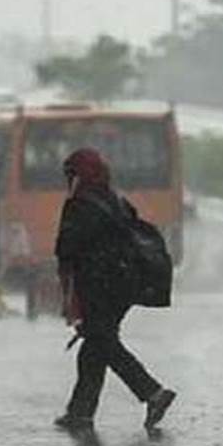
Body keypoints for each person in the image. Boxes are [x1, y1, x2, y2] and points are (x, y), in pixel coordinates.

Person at [53, 147, 176, 431]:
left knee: (102, 342)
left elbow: (67, 248)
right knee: (95, 346)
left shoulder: (80, 204)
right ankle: (80, 413)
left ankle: (152, 393)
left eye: (70, 174)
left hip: (98, 285)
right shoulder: (115, 200)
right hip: (123, 285)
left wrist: (67, 288)